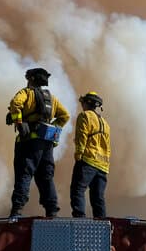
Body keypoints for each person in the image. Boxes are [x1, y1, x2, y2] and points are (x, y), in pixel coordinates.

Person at [6, 67, 70, 218]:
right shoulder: (51, 98)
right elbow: (65, 116)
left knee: (24, 173)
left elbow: (15, 104)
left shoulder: (26, 93)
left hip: (28, 142)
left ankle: (17, 210)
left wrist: (19, 122)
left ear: (31, 79)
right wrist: (54, 129)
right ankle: (52, 210)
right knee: (46, 177)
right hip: (47, 144)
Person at [70, 91, 110, 218]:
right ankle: (102, 224)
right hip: (103, 165)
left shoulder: (84, 116)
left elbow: (81, 137)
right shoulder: (105, 123)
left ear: (87, 103)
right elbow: (107, 146)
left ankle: (79, 220)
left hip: (88, 160)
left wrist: (78, 155)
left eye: (83, 102)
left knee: (78, 190)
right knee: (98, 197)